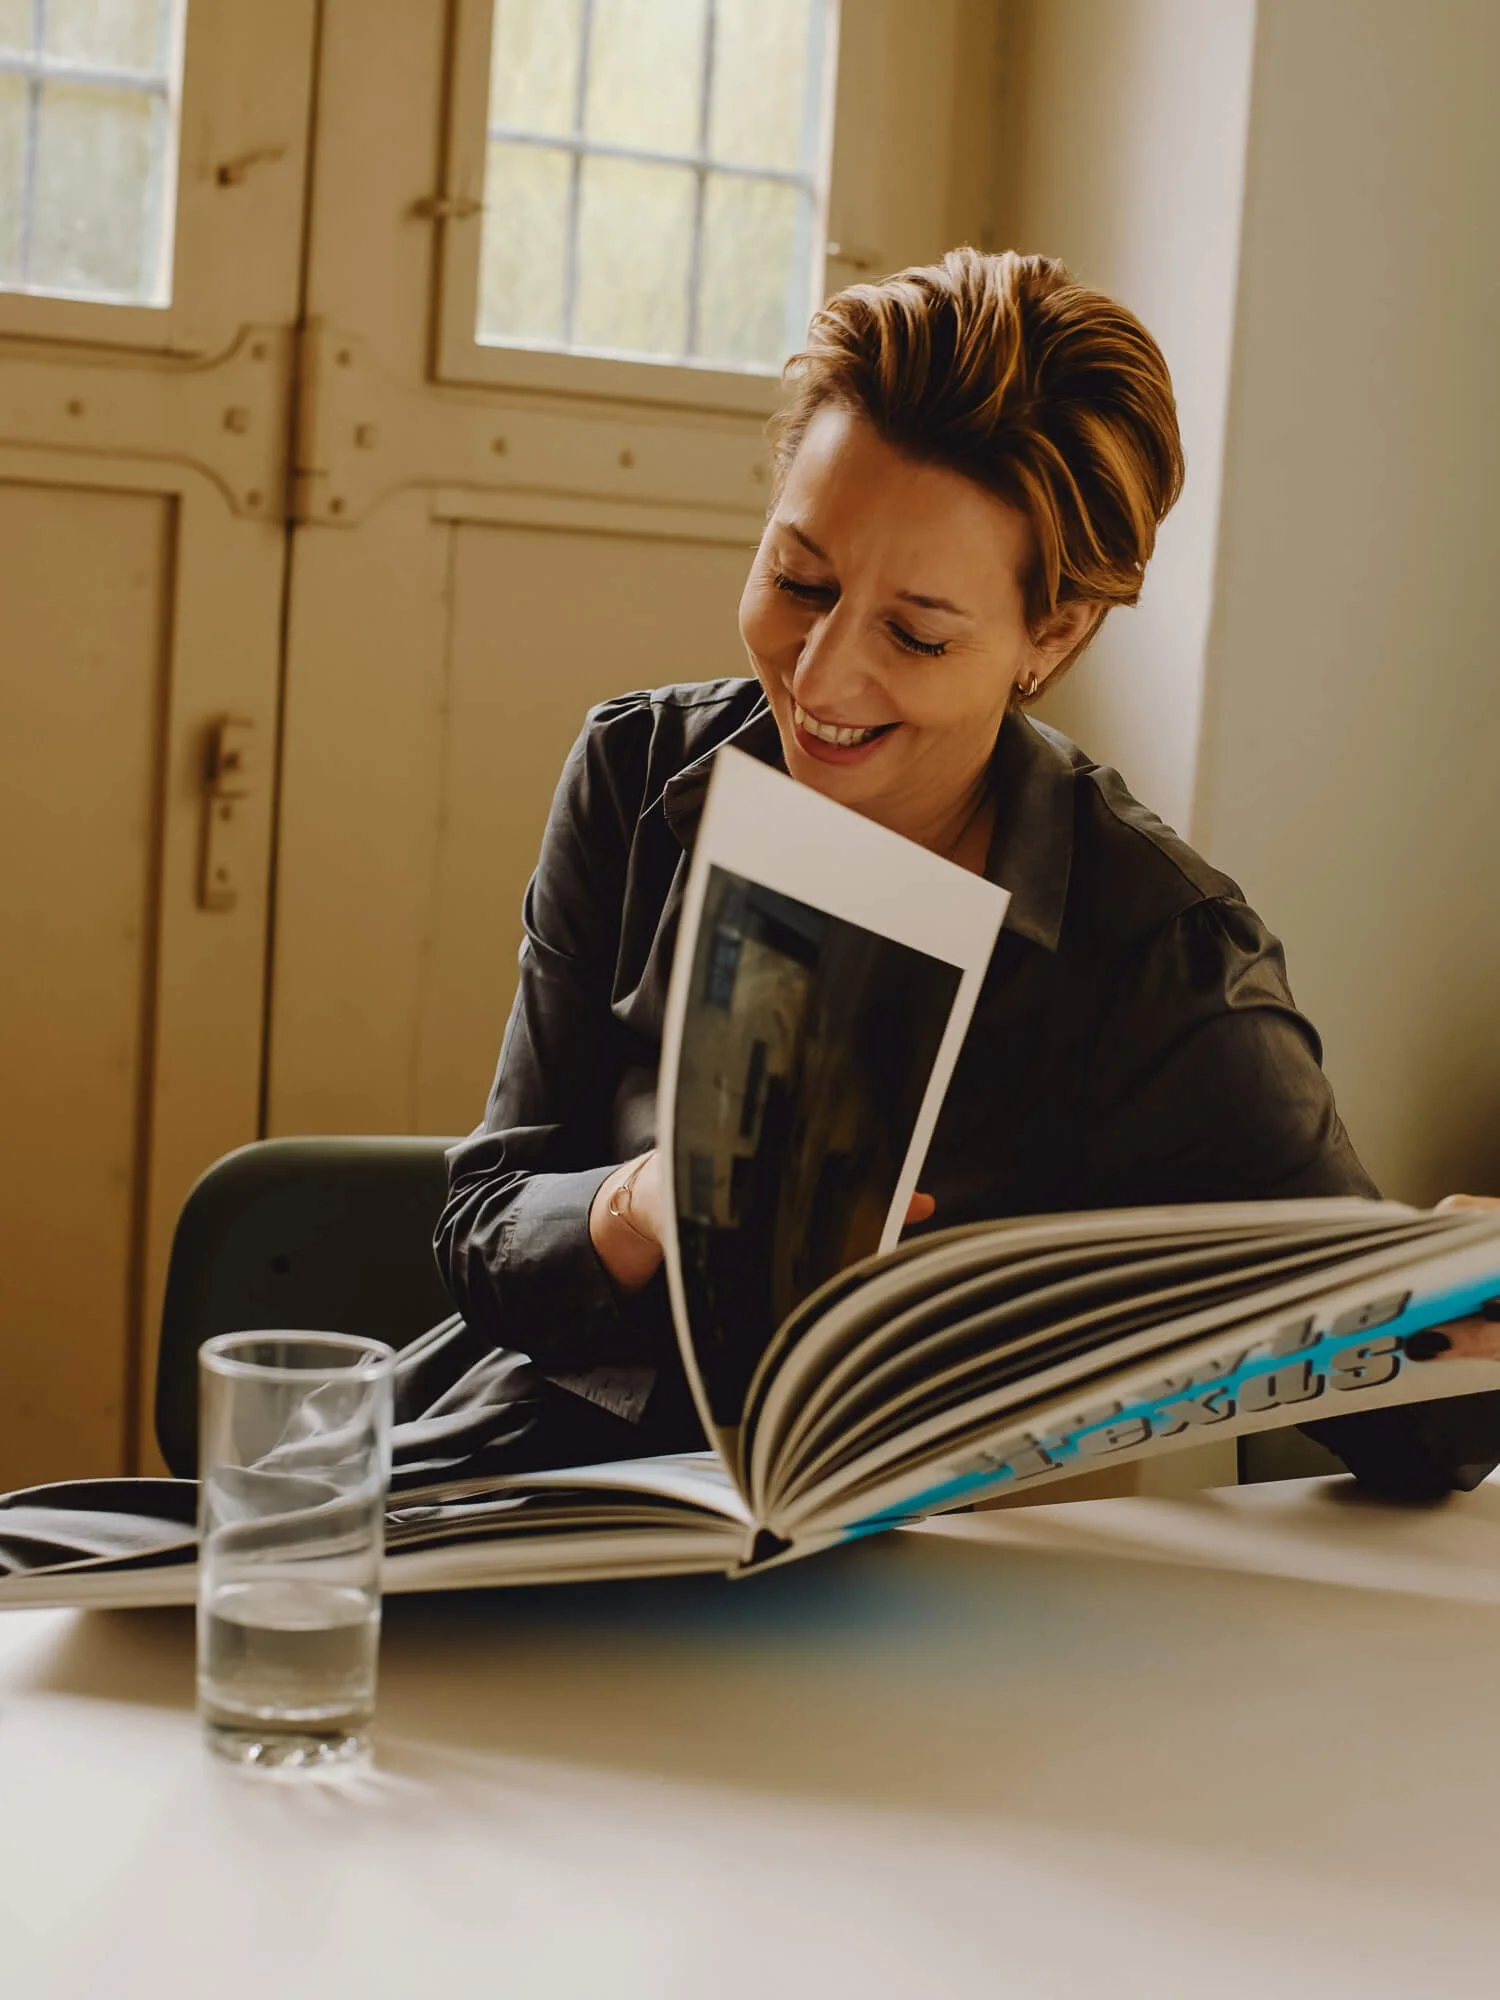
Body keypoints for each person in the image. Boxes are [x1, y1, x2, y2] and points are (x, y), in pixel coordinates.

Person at [437, 248, 1500, 1497]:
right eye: (798, 579)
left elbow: (1422, 1426)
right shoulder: (635, 776)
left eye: (917, 632)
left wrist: (1447, 1302)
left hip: (918, 1603)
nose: (820, 677)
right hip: (516, 1506)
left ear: (1050, 636)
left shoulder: (1161, 957)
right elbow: (482, 1227)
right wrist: (639, 1203)